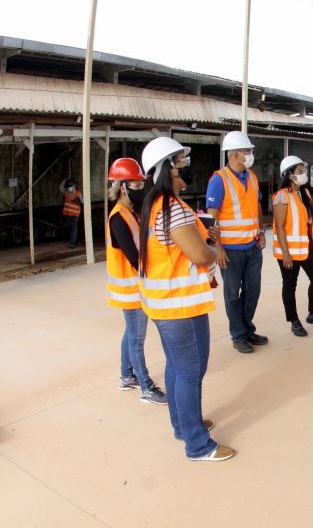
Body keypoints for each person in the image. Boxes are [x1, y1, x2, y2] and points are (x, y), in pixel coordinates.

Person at [139, 137, 235, 462]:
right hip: (178, 305)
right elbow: (198, 254)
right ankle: (198, 444)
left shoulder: (155, 207)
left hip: (165, 303)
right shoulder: (173, 209)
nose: (185, 167)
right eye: (180, 161)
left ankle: (184, 425)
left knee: (178, 368)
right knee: (191, 371)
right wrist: (212, 248)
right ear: (167, 168)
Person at [106, 157, 167, 405]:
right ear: (121, 187)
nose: (141, 190)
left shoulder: (130, 212)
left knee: (130, 334)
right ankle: (145, 386)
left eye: (142, 186)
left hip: (134, 286)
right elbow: (134, 257)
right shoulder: (118, 218)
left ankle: (126, 376)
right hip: (130, 289)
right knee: (136, 338)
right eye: (136, 186)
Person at [206, 131, 268, 354]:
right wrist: (217, 247)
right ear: (233, 154)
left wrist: (261, 230)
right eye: (246, 151)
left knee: (253, 291)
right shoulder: (218, 180)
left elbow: (258, 206)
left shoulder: (251, 176)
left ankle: (247, 328)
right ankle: (239, 335)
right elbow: (211, 217)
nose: (250, 155)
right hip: (230, 251)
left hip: (253, 247)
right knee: (233, 294)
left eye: (250, 151)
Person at [272, 155, 313, 337]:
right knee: (290, 285)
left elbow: (309, 224)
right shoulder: (281, 197)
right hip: (289, 252)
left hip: (306, 248)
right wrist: (286, 255)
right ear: (290, 175)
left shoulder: (305, 193)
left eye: (303, 170)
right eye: (299, 171)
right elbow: (280, 228)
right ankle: (294, 321)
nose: (303, 174)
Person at [60, 178, 82, 248]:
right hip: (68, 214)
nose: (70, 188)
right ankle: (76, 241)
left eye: (71, 186)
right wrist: (65, 180)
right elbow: (60, 187)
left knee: (73, 228)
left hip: (74, 214)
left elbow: (82, 201)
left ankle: (72, 242)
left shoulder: (77, 193)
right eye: (69, 187)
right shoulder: (67, 193)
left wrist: (76, 200)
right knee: (71, 228)